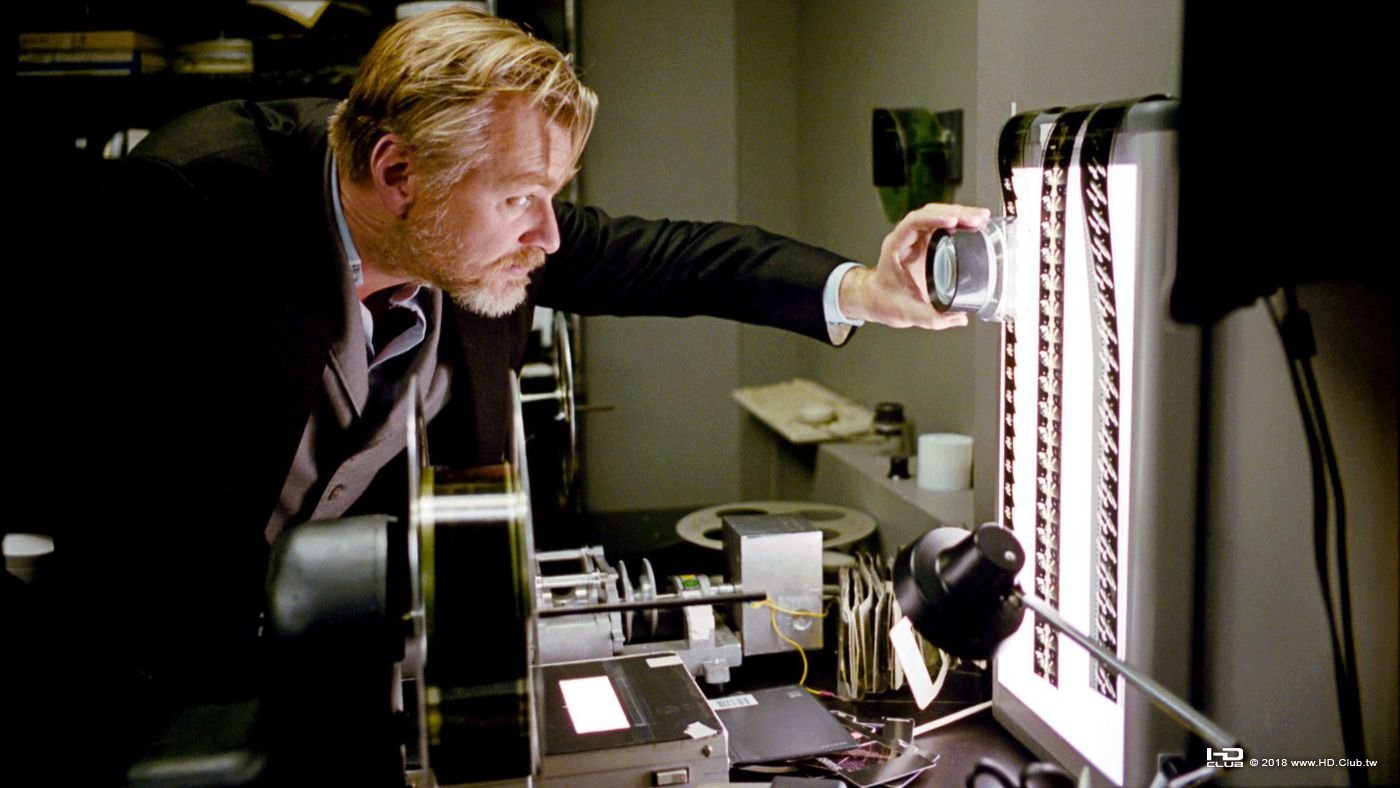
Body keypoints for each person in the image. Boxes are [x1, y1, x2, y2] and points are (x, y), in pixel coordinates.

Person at [12, 6, 987, 782]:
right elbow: (111, 515)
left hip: (339, 655)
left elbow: (666, 257)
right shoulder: (192, 211)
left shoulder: (461, 221)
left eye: (551, 194)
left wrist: (864, 288)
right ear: (397, 172)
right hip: (145, 670)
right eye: (520, 197)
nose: (547, 235)